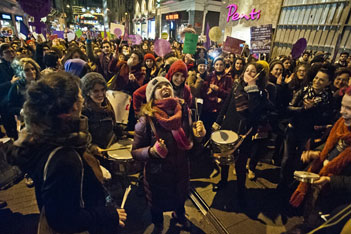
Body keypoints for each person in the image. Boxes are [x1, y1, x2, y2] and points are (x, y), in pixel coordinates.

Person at [6, 71, 126, 234]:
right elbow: (63, 220)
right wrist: (107, 215)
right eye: (79, 95)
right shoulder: (65, 157)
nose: (82, 98)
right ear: (72, 107)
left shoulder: (40, 137)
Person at [132, 76, 206, 233]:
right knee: (157, 205)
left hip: (181, 170)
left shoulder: (185, 113)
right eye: (159, 87)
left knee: (180, 199)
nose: (164, 87)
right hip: (157, 175)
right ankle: (158, 224)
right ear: (152, 95)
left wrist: (199, 137)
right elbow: (135, 152)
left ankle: (180, 216)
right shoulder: (146, 120)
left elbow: (190, 145)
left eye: (167, 84)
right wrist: (151, 152)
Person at [288, 86, 351, 232]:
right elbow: (328, 146)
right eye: (342, 105)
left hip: (335, 201)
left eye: (349, 108)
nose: (342, 111)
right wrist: (314, 153)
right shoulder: (341, 124)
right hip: (318, 189)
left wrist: (331, 181)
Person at [211, 63, 269, 200]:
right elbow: (227, 103)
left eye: (253, 72)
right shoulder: (237, 85)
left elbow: (254, 112)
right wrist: (218, 121)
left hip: (244, 132)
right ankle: (223, 181)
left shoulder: (260, 92)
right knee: (224, 159)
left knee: (240, 164)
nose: (248, 73)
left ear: (259, 76)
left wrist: (252, 89)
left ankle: (241, 190)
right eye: (247, 70)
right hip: (229, 125)